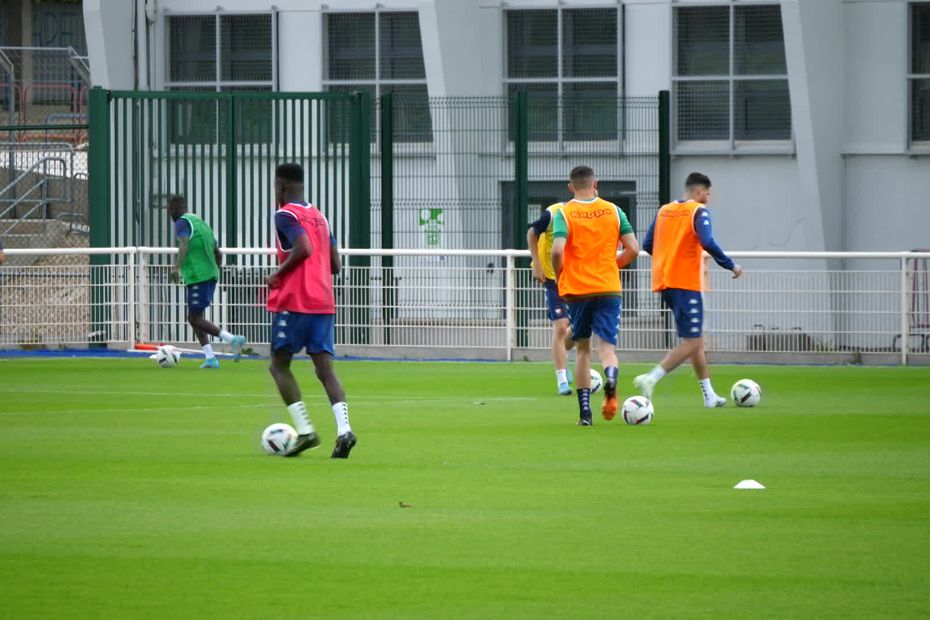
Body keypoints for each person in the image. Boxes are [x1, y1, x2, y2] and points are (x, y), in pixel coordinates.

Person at [266, 163, 356, 459]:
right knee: (325, 371)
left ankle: (305, 431)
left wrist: (278, 274)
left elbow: (302, 248)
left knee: (279, 366)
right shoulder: (320, 217)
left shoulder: (285, 214)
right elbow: (336, 265)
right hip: (324, 302)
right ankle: (344, 431)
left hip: (295, 302)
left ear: (280, 186)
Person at [634, 172, 743, 407]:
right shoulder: (698, 211)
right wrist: (731, 265)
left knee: (694, 341)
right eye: (708, 193)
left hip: (665, 282)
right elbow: (707, 242)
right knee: (693, 342)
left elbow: (647, 244)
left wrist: (668, 260)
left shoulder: (664, 210)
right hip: (686, 283)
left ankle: (709, 395)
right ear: (698, 191)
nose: (709, 198)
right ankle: (652, 378)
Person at [551, 166, 640, 426]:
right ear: (595, 183)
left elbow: (557, 251)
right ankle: (610, 376)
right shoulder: (614, 210)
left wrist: (560, 276)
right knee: (607, 348)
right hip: (608, 286)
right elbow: (633, 248)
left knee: (582, 348)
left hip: (578, 289)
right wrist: (615, 265)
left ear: (570, 187)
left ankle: (585, 414)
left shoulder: (564, 213)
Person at [168, 195, 246, 367]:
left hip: (199, 276)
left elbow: (184, 245)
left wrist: (176, 268)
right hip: (209, 275)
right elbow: (217, 251)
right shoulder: (201, 223)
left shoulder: (181, 222)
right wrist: (215, 271)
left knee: (195, 318)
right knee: (194, 317)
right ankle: (210, 358)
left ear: (173, 210)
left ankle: (233, 339)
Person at [527, 202, 574, 395]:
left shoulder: (594, 214)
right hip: (553, 279)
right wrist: (537, 264)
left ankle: (564, 354)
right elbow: (531, 233)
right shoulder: (554, 213)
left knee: (580, 328)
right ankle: (562, 380)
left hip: (577, 279)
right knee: (561, 326)